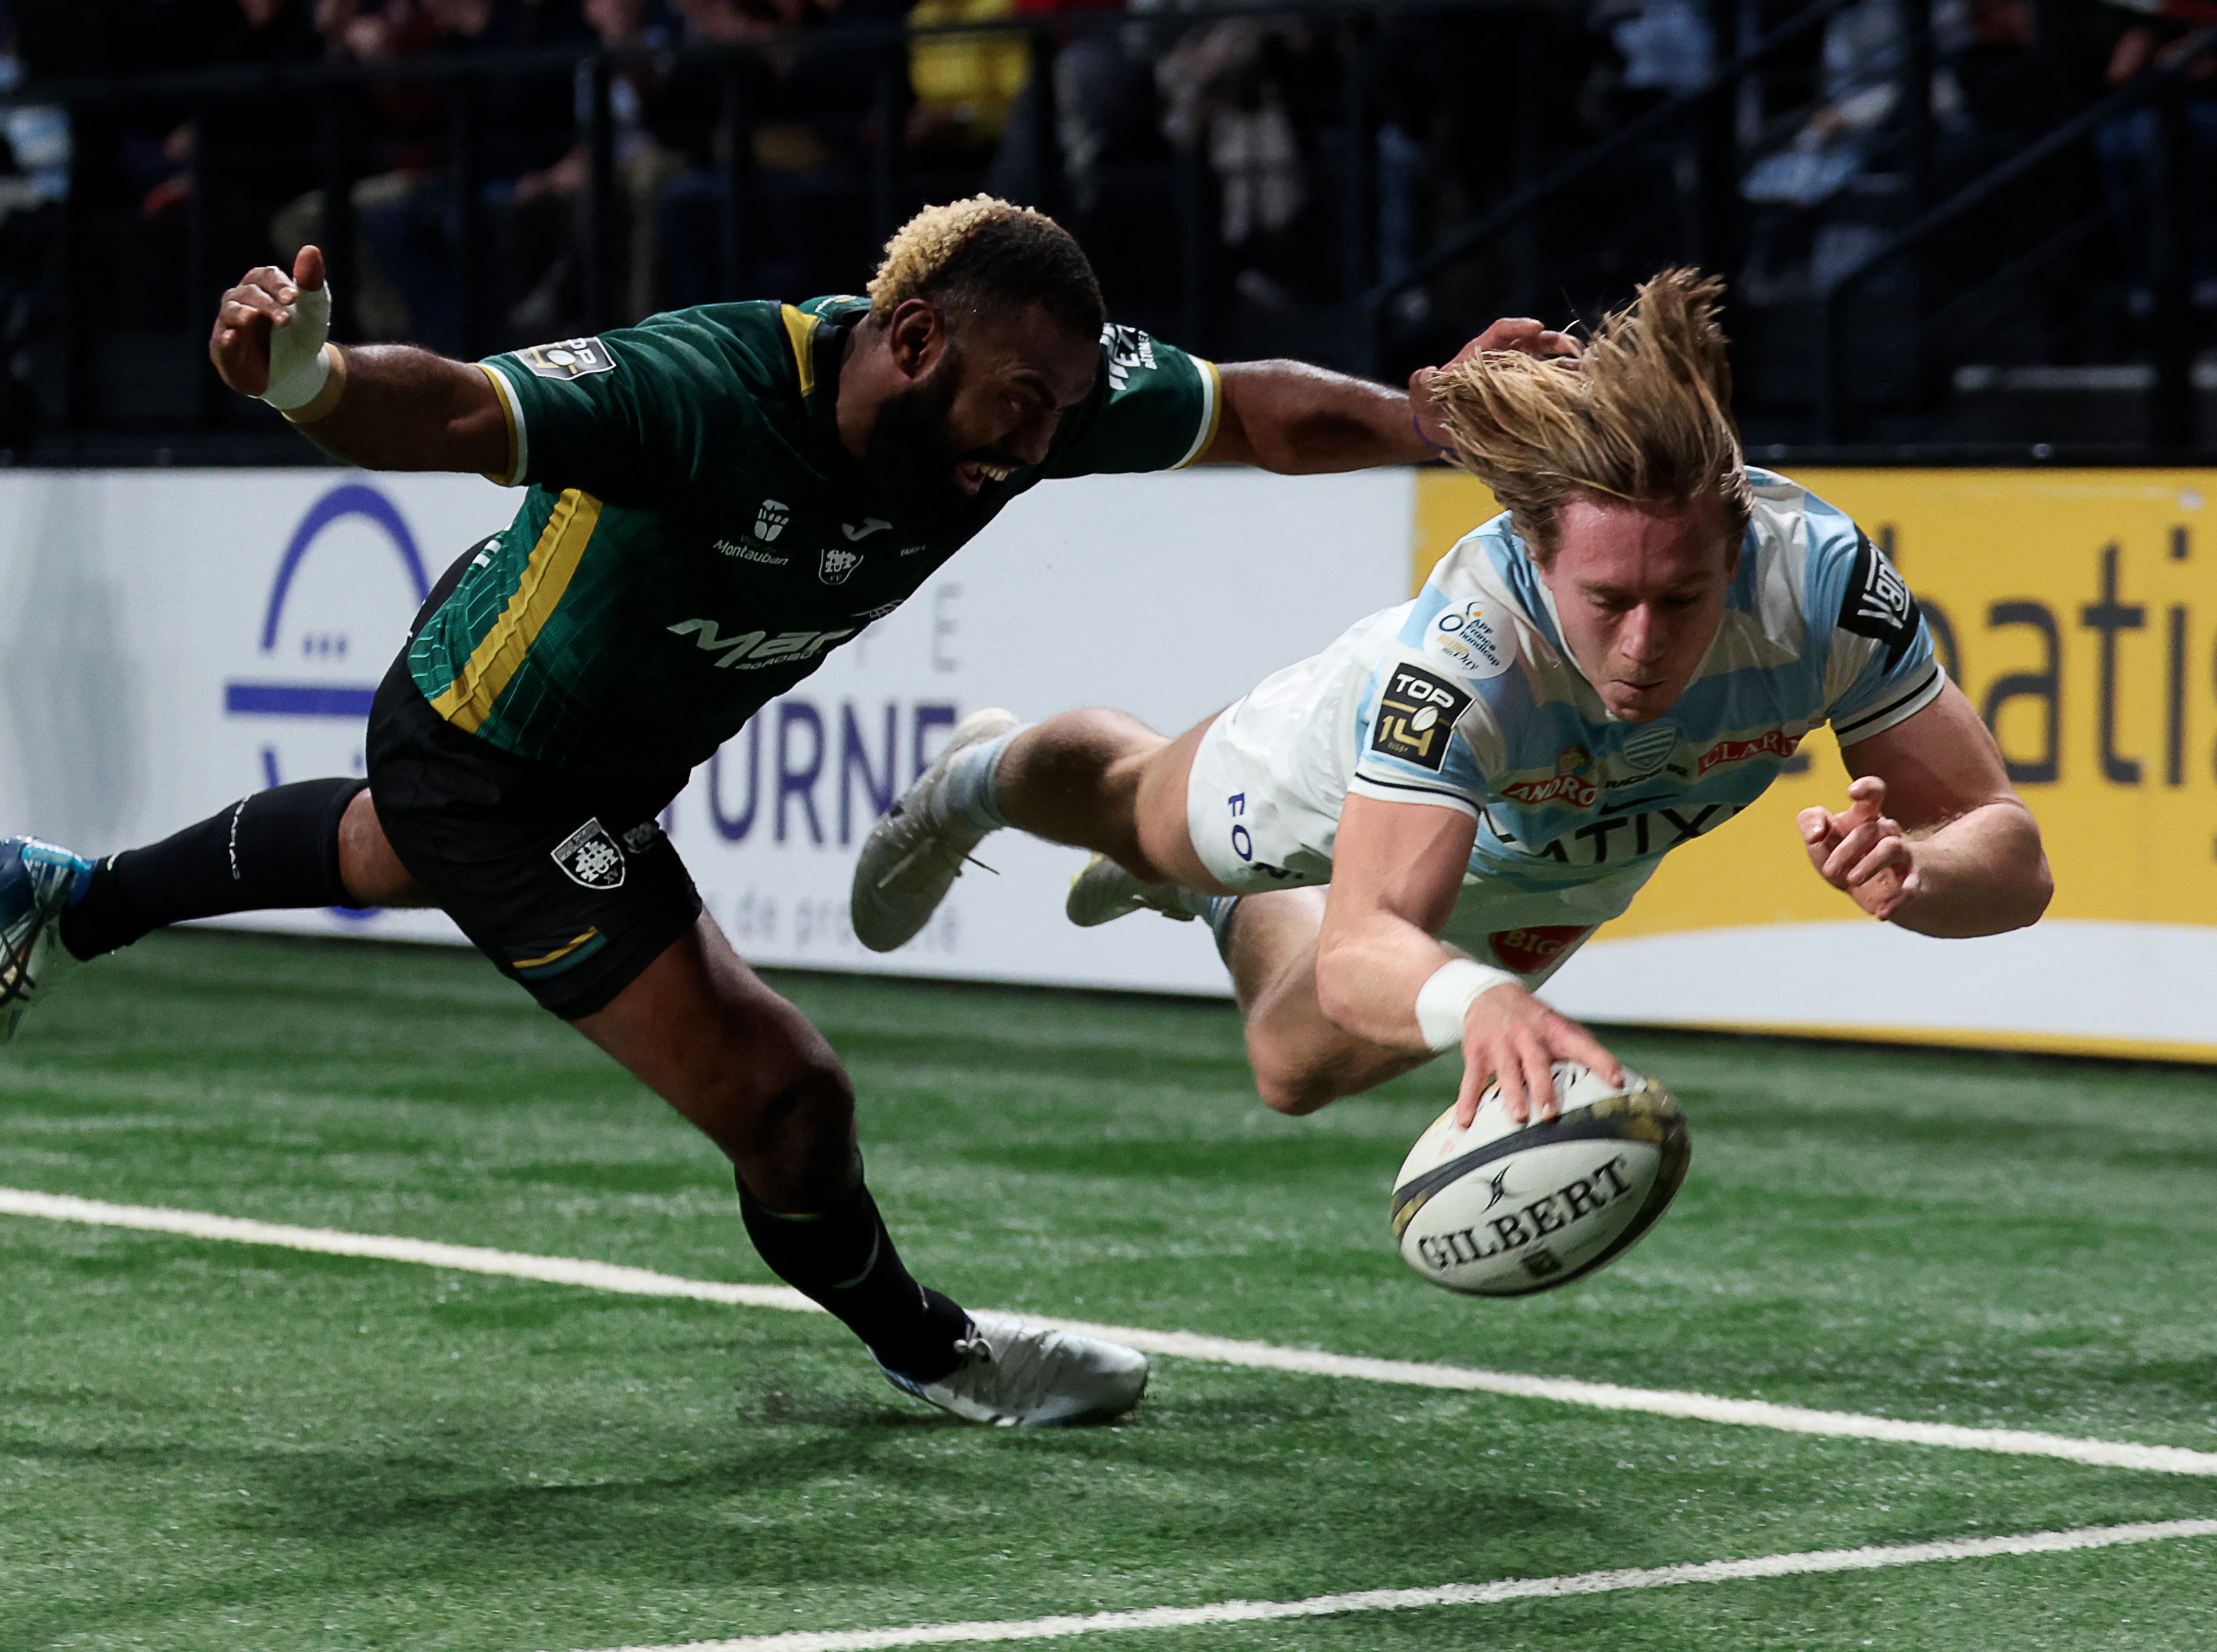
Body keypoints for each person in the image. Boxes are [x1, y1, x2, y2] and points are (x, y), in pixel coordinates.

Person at [0, 197, 1562, 1426]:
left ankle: (69, 891)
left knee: (382, 846)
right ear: (918, 338)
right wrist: (308, 374)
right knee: (787, 1093)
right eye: (1017, 405)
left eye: (1063, 418)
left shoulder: (1034, 396)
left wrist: (1433, 422)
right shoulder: (710, 384)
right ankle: (940, 1354)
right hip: (507, 761)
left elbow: (1245, 408)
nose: (1035, 448)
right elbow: (456, 411)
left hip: (571, 731)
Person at [848, 271, 2051, 1128]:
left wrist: (1918, 873)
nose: (1641, 644)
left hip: (1564, 854)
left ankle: (1213, 909)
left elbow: (2012, 854)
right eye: (1606, 600)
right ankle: (973, 779)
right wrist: (1472, 999)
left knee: (1291, 1068)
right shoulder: (1461, 656)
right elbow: (1369, 945)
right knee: (1136, 806)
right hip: (1351, 766)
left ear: (1737, 553)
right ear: (1536, 554)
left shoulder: (1824, 585)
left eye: (1680, 600)